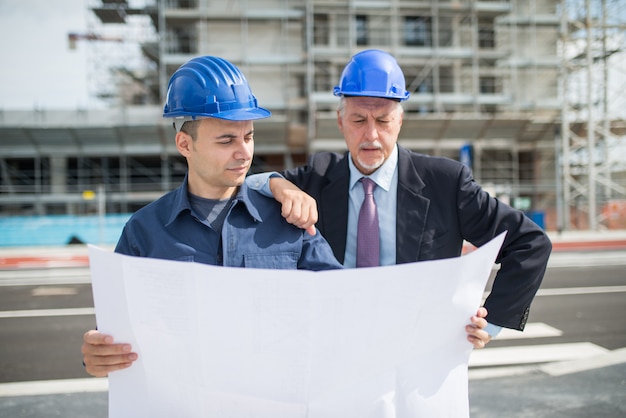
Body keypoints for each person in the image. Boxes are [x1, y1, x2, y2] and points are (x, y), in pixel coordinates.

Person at [248, 49, 552, 346]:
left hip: (418, 350)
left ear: (400, 121)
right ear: (340, 122)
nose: (371, 135)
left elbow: (529, 243)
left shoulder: (445, 183)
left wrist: (494, 321)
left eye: (383, 121)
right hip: (337, 346)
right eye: (358, 121)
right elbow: (246, 187)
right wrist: (278, 183)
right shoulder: (318, 176)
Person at [82, 56, 343, 377]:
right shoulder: (144, 232)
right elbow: (114, 333)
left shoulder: (291, 220)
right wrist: (99, 354)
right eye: (226, 140)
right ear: (184, 144)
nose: (244, 152)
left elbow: (341, 304)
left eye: (248, 136)